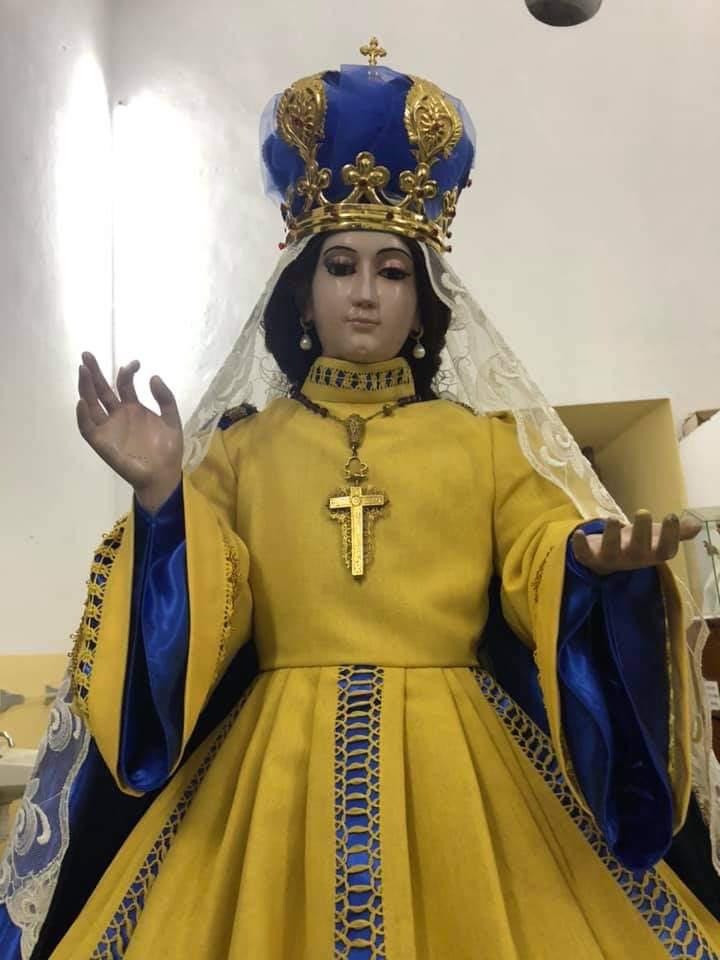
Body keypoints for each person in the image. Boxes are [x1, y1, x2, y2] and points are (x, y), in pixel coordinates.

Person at [2, 40, 719, 960]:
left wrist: (587, 564)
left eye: (393, 272)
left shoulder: (483, 443)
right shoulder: (244, 448)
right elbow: (207, 611)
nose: (367, 295)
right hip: (273, 772)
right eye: (341, 266)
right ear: (303, 295)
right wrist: (161, 494)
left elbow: (538, 550)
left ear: (425, 302)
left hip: (461, 766)